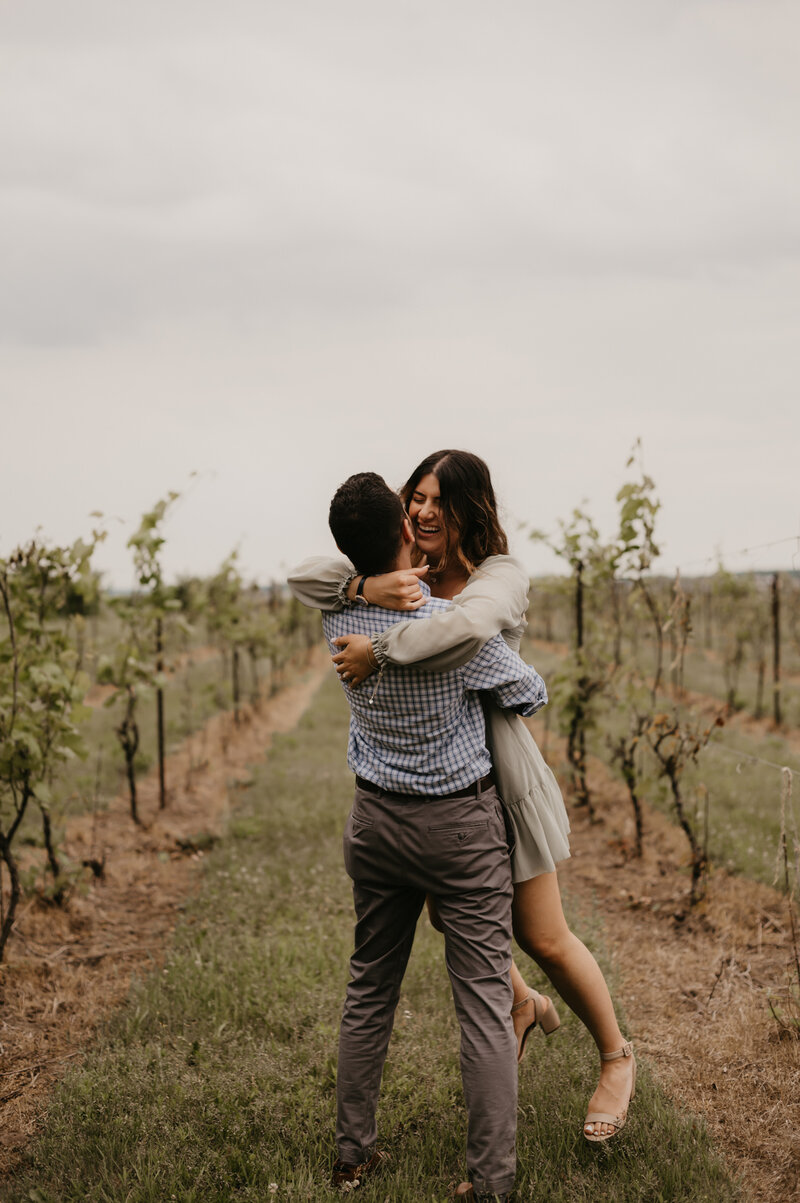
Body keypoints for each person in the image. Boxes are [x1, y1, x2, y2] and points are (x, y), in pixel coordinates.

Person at [289, 450, 635, 1144]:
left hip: (501, 778)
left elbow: (463, 629)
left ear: (471, 510)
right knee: (456, 917)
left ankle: (615, 1055)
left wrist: (379, 643)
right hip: (442, 788)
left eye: (438, 501)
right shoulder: (396, 569)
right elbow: (306, 574)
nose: (422, 511)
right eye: (414, 496)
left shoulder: (497, 577)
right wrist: (365, 585)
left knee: (542, 934)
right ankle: (518, 1007)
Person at [322, 471, 549, 1203]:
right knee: (484, 1001)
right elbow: (530, 691)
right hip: (458, 824)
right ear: (402, 523)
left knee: (369, 987)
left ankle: (352, 1155)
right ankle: (492, 1183)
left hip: (377, 822)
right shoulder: (444, 622)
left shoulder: (339, 615)